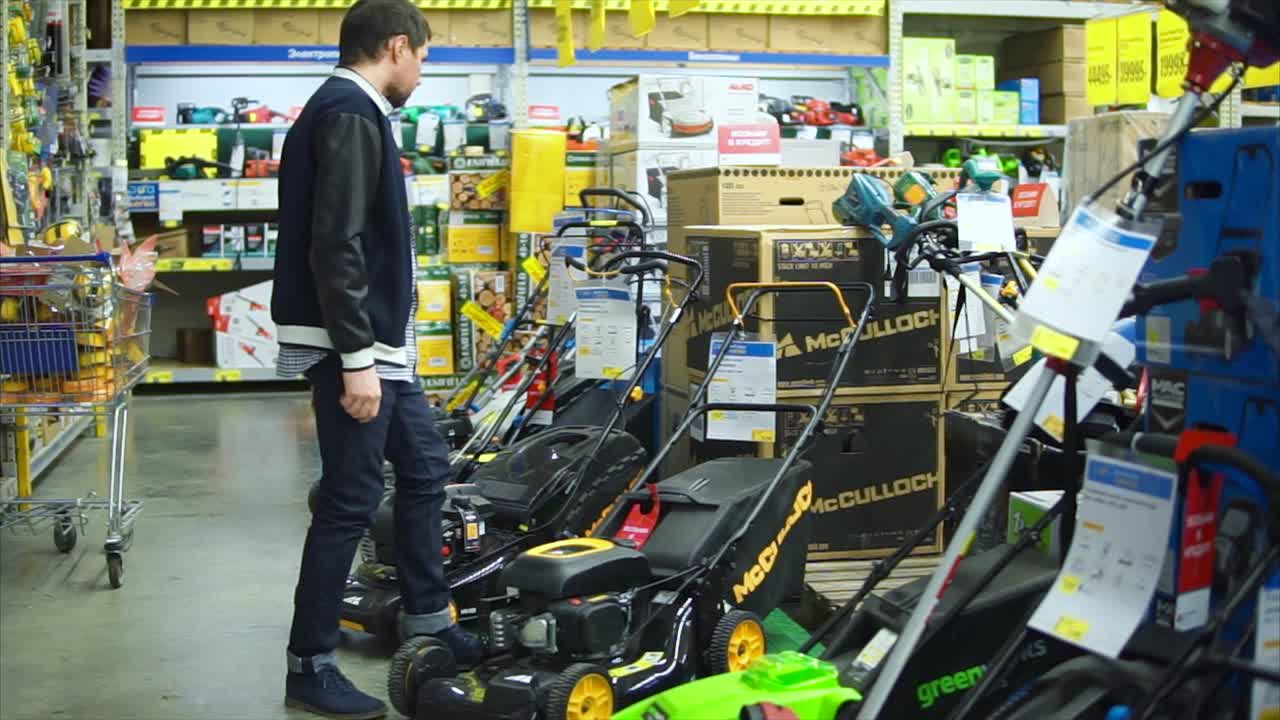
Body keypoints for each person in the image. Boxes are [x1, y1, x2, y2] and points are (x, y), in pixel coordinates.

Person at [271, 1, 482, 717]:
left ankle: (428, 621)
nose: (422, 75)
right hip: (351, 350)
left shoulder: (352, 112)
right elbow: (338, 243)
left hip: (376, 348)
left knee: (425, 468)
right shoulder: (349, 112)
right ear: (397, 47)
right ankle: (309, 663)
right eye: (422, 60)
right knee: (350, 501)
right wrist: (357, 359)